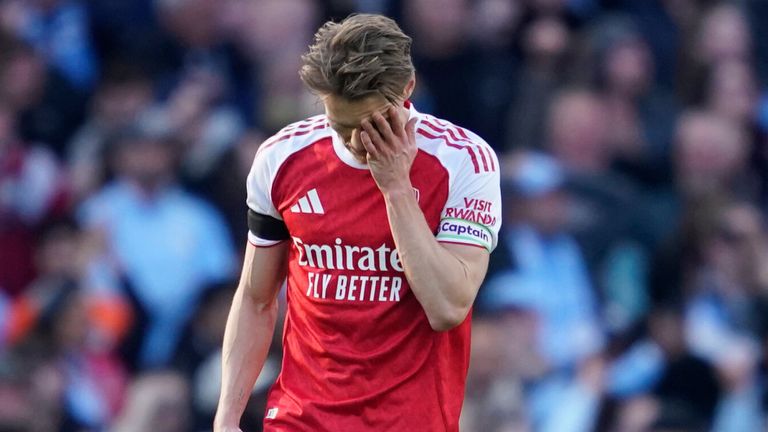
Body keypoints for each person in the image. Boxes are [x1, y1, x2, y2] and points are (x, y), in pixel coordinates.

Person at [214, 14, 501, 432]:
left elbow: (447, 307)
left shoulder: (463, 161)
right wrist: (226, 417)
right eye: (340, 126)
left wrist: (396, 189)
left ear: (407, 90)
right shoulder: (280, 159)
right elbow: (256, 299)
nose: (354, 143)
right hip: (300, 419)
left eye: (369, 125)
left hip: (408, 421)